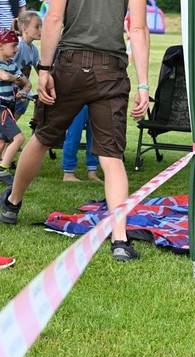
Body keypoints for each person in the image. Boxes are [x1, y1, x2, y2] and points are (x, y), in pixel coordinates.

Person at [0, 0, 150, 263]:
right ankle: (119, 240)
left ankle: (12, 204)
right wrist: (144, 85)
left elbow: (54, 19)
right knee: (111, 156)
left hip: (70, 66)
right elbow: (137, 29)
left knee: (42, 138)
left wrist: (44, 70)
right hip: (111, 70)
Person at [0, 29, 31, 185]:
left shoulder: (11, 64)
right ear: (1, 46)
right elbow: (5, 76)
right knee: (18, 139)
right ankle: (3, 170)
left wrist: (24, 91)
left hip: (9, 107)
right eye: (13, 45)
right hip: (1, 108)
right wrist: (16, 78)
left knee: (1, 142)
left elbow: (28, 83)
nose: (16, 49)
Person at [11, 10, 42, 119]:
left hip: (22, 92)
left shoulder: (34, 50)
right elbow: (5, 64)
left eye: (41, 27)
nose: (41, 30)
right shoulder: (18, 45)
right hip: (9, 89)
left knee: (10, 125)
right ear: (24, 29)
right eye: (37, 27)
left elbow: (40, 71)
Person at [62, 105, 102, 182]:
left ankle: (92, 172)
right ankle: (68, 173)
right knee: (74, 136)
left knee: (94, 136)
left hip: (94, 102)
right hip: (77, 103)